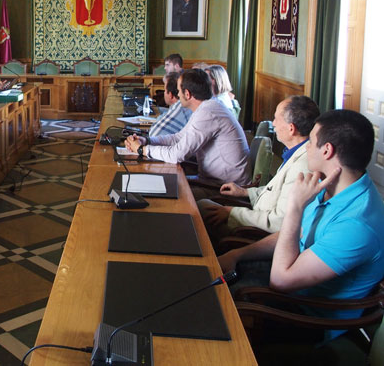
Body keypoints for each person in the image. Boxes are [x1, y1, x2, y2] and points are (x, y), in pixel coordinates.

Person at [219, 110, 384, 338]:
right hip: (293, 282)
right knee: (211, 268)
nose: (306, 146)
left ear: (327, 150)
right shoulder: (331, 185)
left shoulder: (357, 224)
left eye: (311, 142)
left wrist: (295, 206)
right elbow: (294, 235)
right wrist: (237, 254)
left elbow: (281, 281)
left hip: (308, 315)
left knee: (211, 304)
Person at [199, 96, 320, 243]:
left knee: (200, 209)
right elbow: (276, 192)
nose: (273, 124)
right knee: (202, 205)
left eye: (276, 119)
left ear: (291, 128)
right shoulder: (296, 152)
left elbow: (279, 222)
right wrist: (244, 192)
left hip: (257, 233)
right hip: (256, 215)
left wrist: (232, 213)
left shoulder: (302, 167)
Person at [124, 68, 251, 187]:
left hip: (225, 188)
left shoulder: (209, 113)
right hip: (213, 181)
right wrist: (147, 141)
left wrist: (142, 149)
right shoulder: (208, 107)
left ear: (187, 94)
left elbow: (177, 155)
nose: (178, 94)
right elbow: (178, 138)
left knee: (158, 191)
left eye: (179, 91)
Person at [140, 71, 191, 138]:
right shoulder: (182, 106)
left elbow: (154, 135)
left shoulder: (180, 107)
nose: (164, 93)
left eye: (164, 90)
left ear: (170, 95)